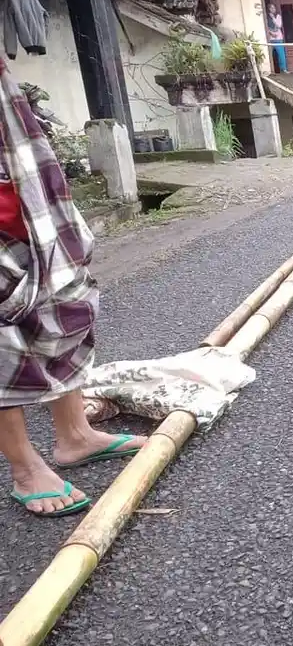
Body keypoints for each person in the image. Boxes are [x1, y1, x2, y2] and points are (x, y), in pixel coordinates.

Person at [0, 59, 145, 517]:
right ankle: (25, 468)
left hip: (20, 176)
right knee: (4, 338)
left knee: (63, 298)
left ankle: (75, 435)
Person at [266, 4, 287, 74]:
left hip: (278, 38)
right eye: (271, 8)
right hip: (270, 39)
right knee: (269, 54)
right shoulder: (266, 17)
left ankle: (283, 69)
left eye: (274, 8)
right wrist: (270, 33)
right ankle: (270, 70)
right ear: (268, 9)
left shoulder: (278, 16)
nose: (273, 9)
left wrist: (273, 18)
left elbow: (279, 25)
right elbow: (265, 26)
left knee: (281, 54)